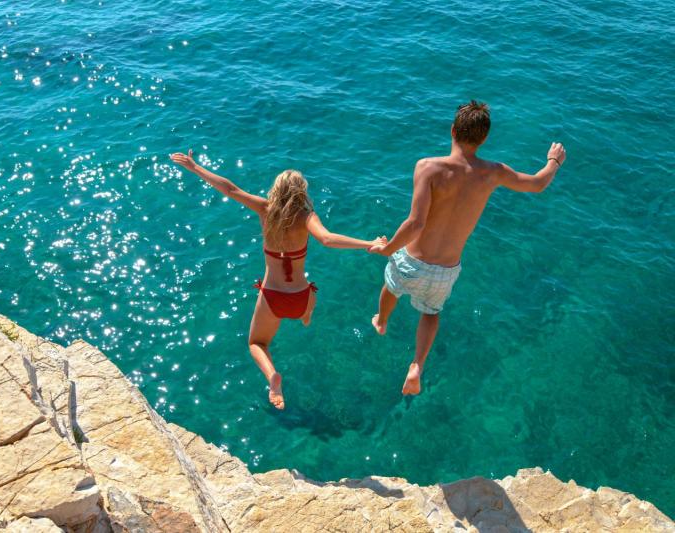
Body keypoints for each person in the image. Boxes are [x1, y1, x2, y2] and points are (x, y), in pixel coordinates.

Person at [369, 101, 566, 395]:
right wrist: (553, 161)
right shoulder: (494, 172)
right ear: (484, 139)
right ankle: (417, 365)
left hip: (413, 260)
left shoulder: (428, 167)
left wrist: (389, 249)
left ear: (452, 130)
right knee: (431, 313)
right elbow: (537, 184)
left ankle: (382, 321)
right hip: (446, 270)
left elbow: (415, 223)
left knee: (391, 286)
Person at [170, 149, 385, 409]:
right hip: (301, 298)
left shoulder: (265, 209)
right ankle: (306, 317)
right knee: (310, 295)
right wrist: (369, 243)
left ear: (277, 189)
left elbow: (230, 189)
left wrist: (195, 167)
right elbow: (328, 239)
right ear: (301, 192)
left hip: (272, 298)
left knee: (256, 343)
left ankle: (273, 376)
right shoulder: (307, 217)